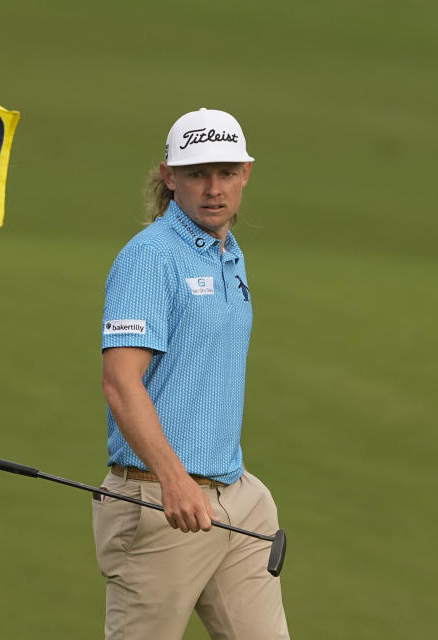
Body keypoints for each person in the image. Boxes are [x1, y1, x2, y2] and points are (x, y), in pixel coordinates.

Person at [93, 108, 289, 639]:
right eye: (197, 174)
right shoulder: (150, 259)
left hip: (236, 504)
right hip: (161, 506)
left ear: (245, 173)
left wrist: (235, 491)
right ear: (169, 176)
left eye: (226, 173)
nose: (213, 189)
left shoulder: (228, 254)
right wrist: (176, 481)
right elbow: (120, 382)